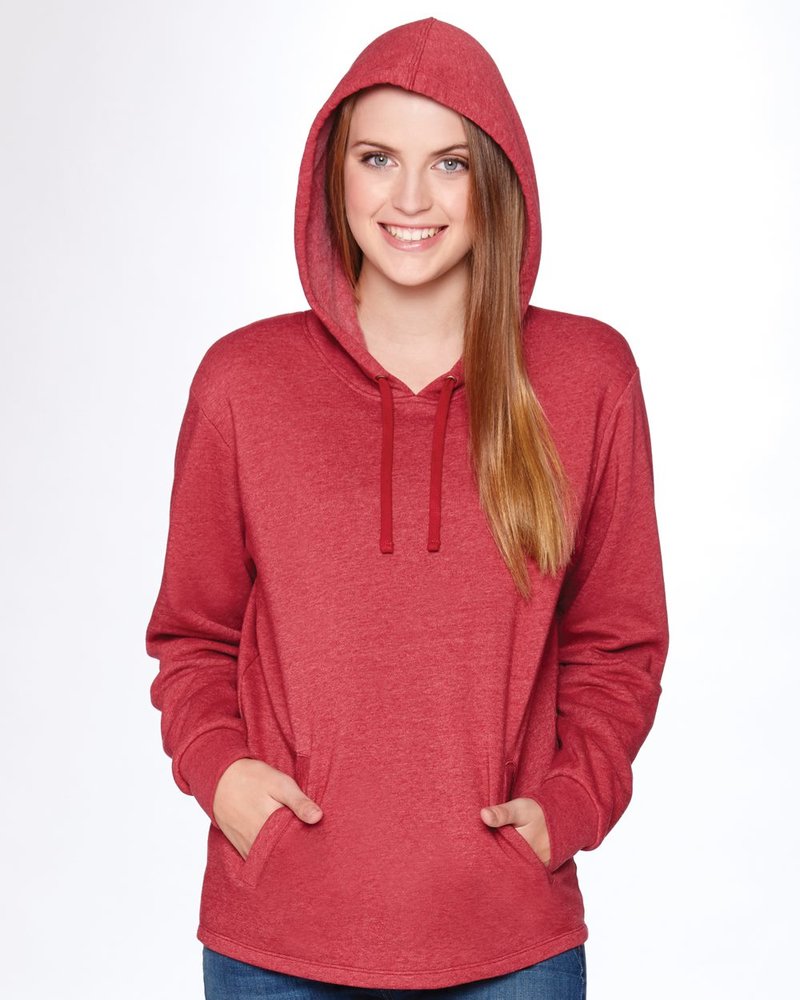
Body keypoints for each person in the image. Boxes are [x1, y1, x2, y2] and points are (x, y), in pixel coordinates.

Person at [145, 16, 669, 1000]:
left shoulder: (586, 376)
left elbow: (617, 640)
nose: (411, 199)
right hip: (279, 943)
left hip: (507, 943)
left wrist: (570, 802)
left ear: (495, 182)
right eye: (378, 158)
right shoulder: (243, 383)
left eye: (450, 164)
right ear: (332, 173)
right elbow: (193, 634)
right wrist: (221, 773)